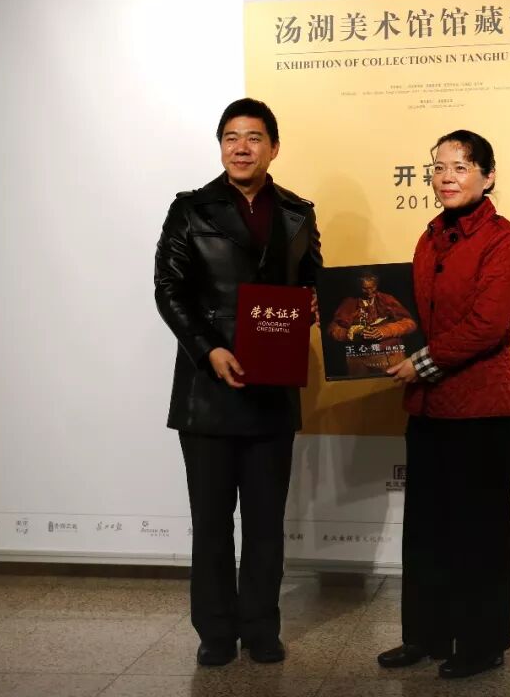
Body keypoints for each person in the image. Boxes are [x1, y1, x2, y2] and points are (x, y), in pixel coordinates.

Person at [154, 98, 322, 667]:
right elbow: (169, 290)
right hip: (209, 390)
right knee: (211, 523)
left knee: (266, 523)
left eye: (253, 138)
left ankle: (261, 627)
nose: (241, 148)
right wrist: (209, 350)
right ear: (221, 146)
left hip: (273, 389)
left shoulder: (298, 212)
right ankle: (216, 631)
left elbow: (313, 279)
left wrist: (317, 303)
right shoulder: (189, 210)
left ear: (274, 147)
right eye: (231, 137)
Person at [381, 130, 510, 679]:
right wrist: (371, 335)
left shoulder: (502, 239)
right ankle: (425, 634)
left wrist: (420, 362)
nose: (447, 177)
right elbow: (412, 315)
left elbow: (488, 325)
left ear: (488, 177)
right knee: (426, 528)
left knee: (479, 532)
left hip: (481, 410)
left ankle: (482, 644)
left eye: (461, 167)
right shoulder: (429, 237)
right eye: (439, 167)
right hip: (427, 409)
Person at [328, 272, 418, 376]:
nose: (369, 292)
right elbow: (333, 330)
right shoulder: (349, 303)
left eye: (372, 287)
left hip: (391, 356)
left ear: (376, 285)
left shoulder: (387, 300)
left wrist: (384, 331)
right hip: (359, 359)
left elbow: (410, 323)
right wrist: (352, 333)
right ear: (359, 287)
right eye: (365, 288)